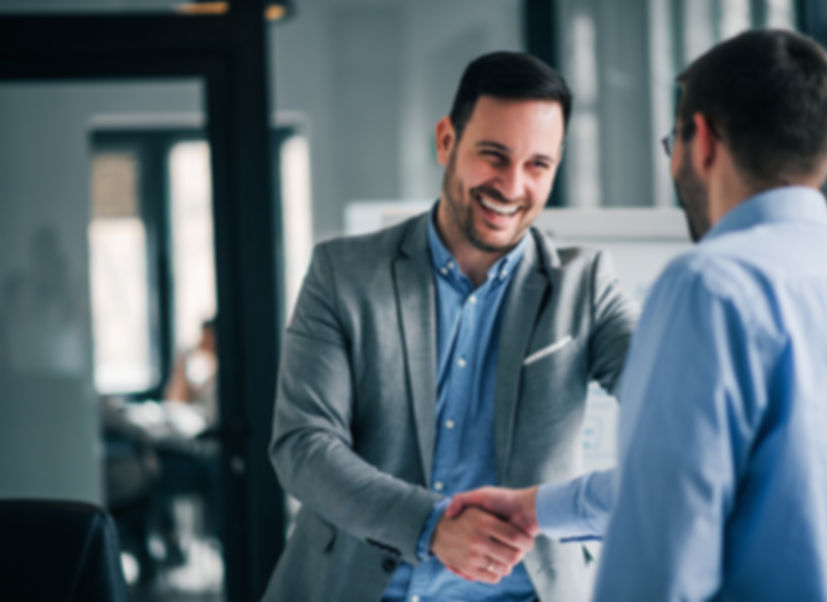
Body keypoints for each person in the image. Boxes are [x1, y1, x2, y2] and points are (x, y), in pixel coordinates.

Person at [448, 29, 827, 600]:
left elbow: (660, 546)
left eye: (673, 142)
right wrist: (537, 508)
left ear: (703, 140)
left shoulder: (710, 287)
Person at [263, 51, 637, 602]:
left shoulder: (587, 286)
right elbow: (303, 446)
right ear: (446, 141)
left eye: (538, 165)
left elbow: (681, 417)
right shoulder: (342, 275)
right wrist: (430, 525)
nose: (512, 186)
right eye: (494, 155)